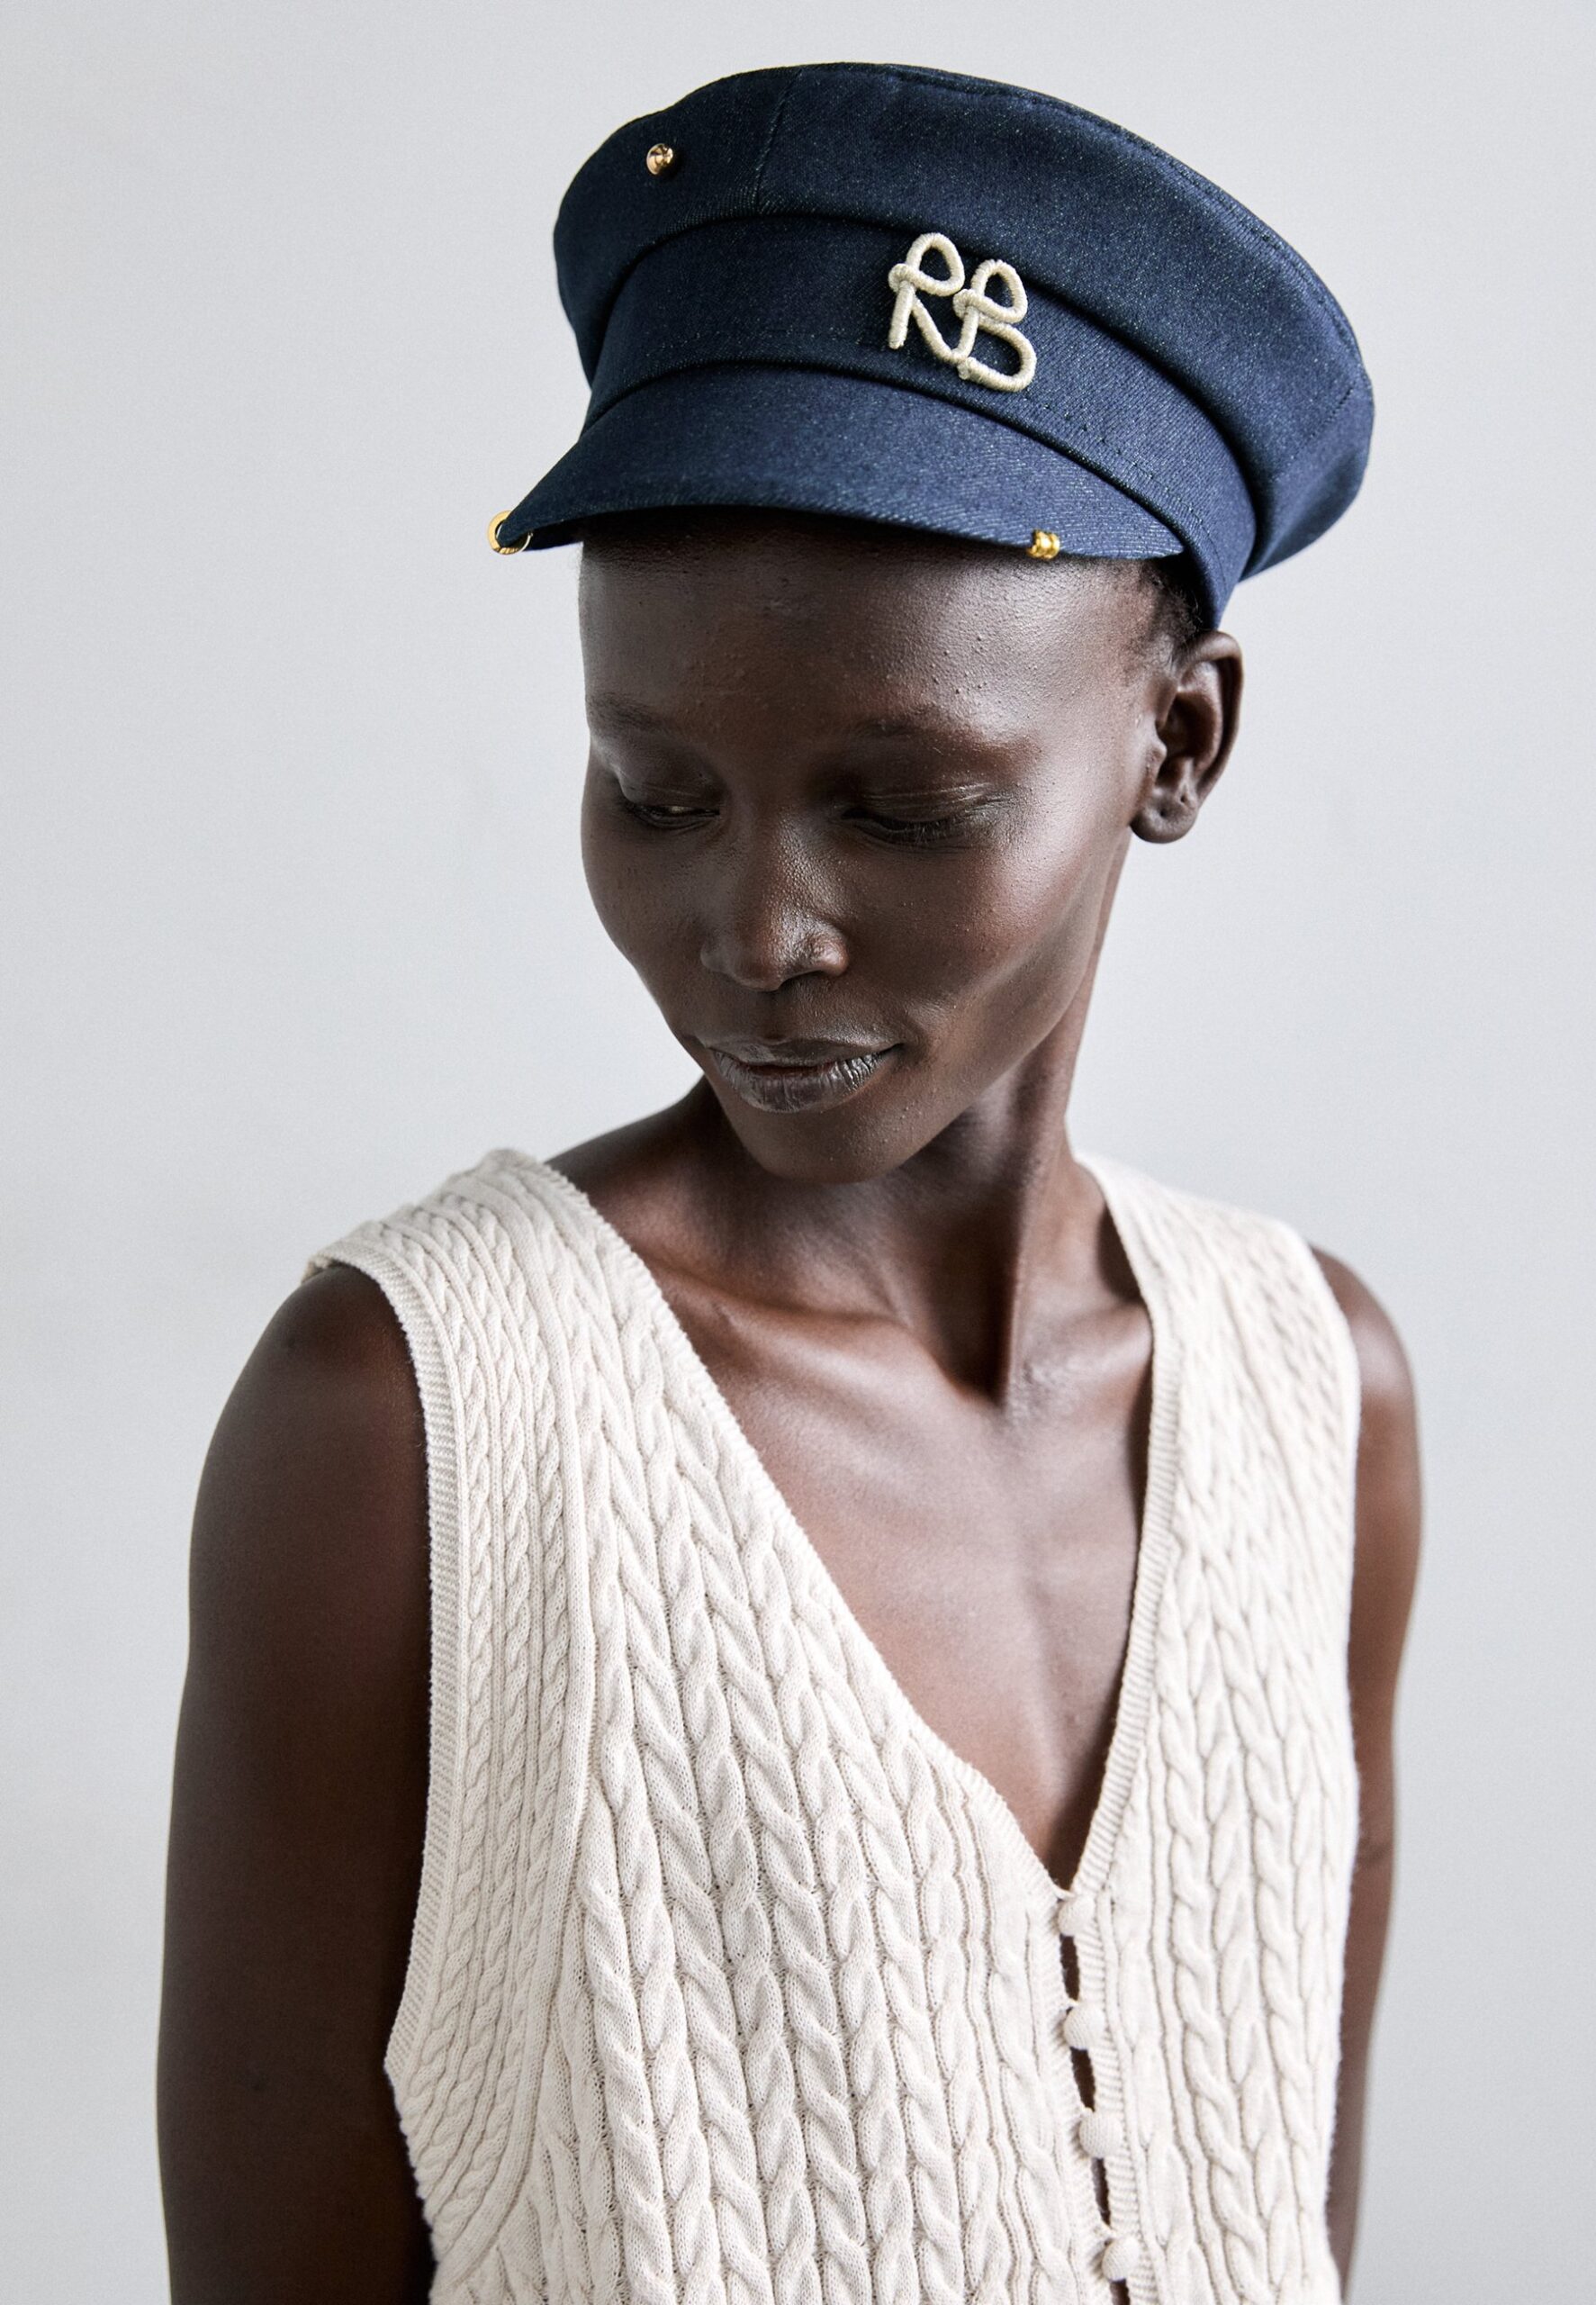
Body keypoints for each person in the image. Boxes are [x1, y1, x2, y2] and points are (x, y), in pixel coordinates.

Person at [157, 60, 1421, 2305]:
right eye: (653, 793)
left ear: (1177, 740)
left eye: (903, 806)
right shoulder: (412, 1421)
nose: (752, 931)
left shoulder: (1313, 1393)